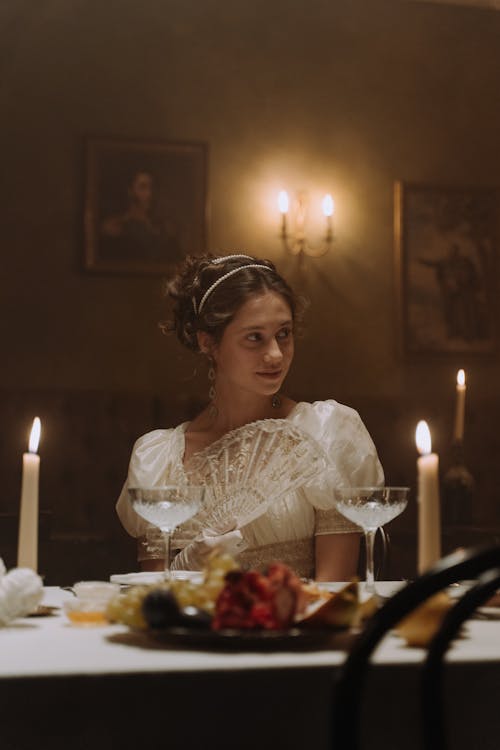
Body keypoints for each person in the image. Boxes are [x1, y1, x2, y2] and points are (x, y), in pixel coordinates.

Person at [116, 253, 384, 580]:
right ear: (208, 343)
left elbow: (334, 590)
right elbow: (156, 597)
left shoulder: (324, 433)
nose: (275, 355)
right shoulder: (159, 458)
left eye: (284, 334)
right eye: (254, 337)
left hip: (300, 625)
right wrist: (188, 565)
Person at [100, 170, 182, 263]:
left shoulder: (165, 228)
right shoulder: (115, 226)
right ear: (130, 191)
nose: (149, 194)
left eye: (152, 187)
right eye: (143, 187)